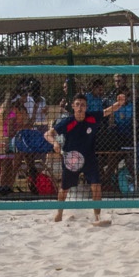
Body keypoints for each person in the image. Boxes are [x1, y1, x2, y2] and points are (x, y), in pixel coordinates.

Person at [46, 93, 109, 226]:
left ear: (86, 107)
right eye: (78, 104)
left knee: (96, 186)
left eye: (83, 105)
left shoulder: (92, 117)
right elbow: (47, 134)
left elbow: (107, 111)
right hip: (72, 159)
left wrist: (119, 103)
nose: (80, 107)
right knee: (64, 189)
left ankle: (97, 217)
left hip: (89, 158)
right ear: (73, 106)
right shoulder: (67, 122)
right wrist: (55, 143)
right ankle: (59, 214)